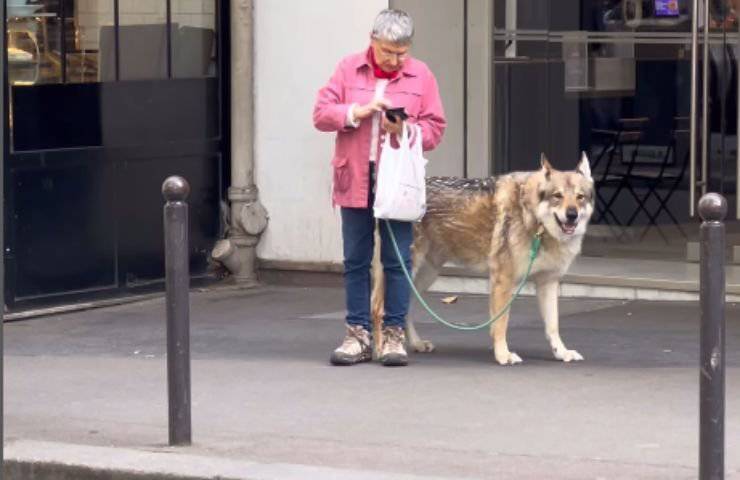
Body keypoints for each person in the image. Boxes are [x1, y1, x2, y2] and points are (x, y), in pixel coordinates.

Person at [312, 9, 446, 367]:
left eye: (402, 52)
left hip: (397, 182)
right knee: (355, 261)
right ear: (373, 41)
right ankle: (357, 334)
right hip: (355, 177)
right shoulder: (348, 68)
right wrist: (358, 110)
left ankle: (393, 335)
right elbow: (321, 114)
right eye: (389, 51)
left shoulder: (422, 75)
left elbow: (436, 127)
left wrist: (406, 130)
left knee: (398, 260)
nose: (396, 59)